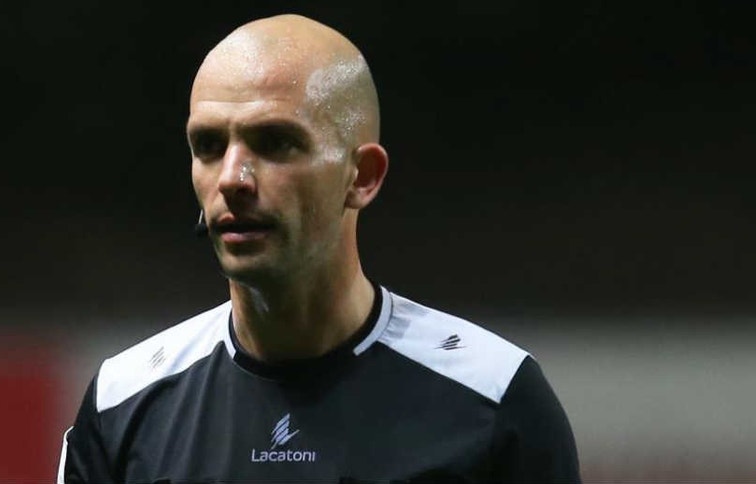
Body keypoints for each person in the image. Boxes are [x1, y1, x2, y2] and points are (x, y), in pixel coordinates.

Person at [57, 13, 581, 483]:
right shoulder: (122, 406)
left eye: (275, 142)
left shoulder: (494, 401)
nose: (232, 178)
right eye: (209, 146)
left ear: (363, 176)